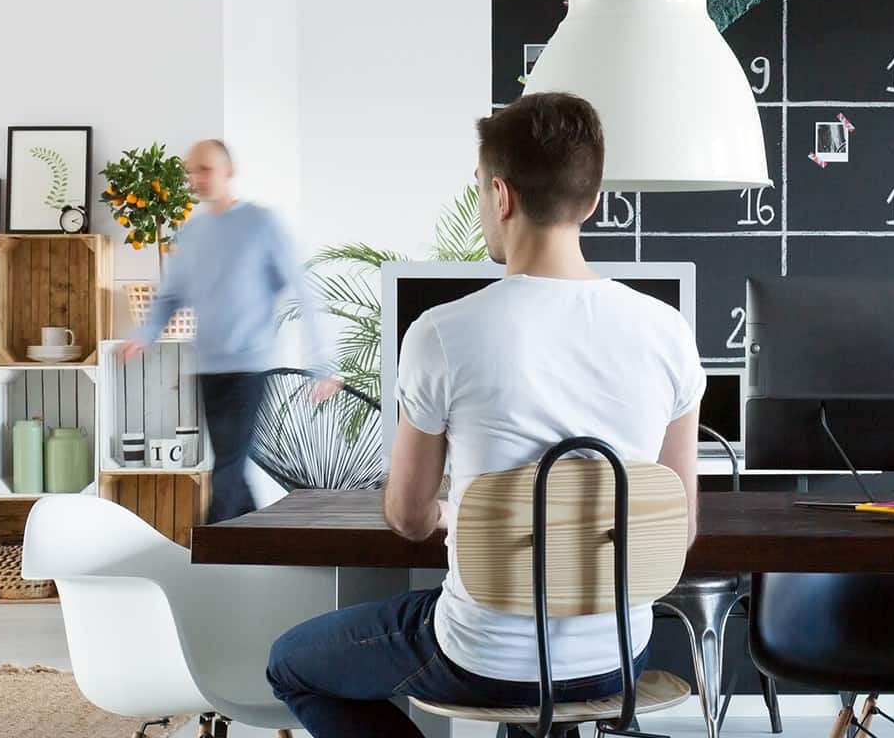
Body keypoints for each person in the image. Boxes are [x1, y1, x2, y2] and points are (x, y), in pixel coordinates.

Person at [265, 92, 704, 737]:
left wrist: (459, 513)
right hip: (616, 658)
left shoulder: (443, 332)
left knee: (290, 664)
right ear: (592, 200)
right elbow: (679, 526)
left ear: (500, 196)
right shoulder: (668, 332)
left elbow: (408, 517)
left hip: (484, 659)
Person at [120, 139, 335, 524]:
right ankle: (260, 547)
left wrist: (323, 364)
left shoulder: (261, 223)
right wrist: (145, 333)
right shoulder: (192, 231)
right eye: (191, 171)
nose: (196, 179)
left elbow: (303, 289)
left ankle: (205, 552)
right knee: (232, 473)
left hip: (248, 368)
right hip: (206, 368)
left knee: (226, 474)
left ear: (229, 171)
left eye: (205, 169)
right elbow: (171, 296)